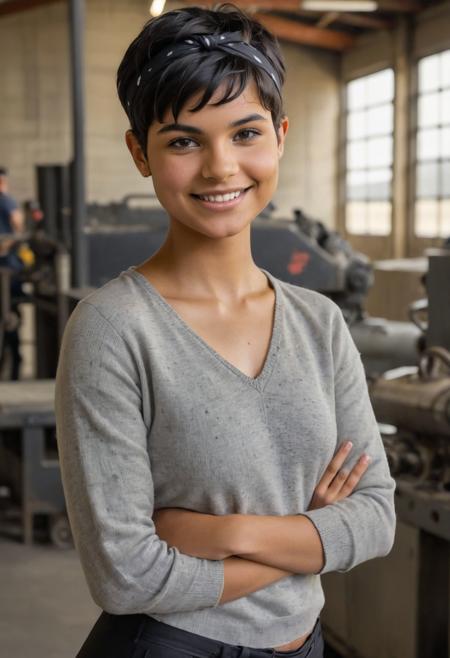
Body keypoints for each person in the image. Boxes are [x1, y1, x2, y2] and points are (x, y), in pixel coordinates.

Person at [54, 5, 396, 658]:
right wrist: (309, 539)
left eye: (245, 133)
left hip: (308, 646)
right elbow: (126, 576)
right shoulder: (114, 329)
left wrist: (225, 531)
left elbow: (377, 517)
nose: (219, 167)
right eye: (184, 140)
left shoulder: (318, 323)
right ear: (140, 152)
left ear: (280, 136)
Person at [0, 167, 24, 380]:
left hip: (7, 270)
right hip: (7, 270)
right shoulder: (5, 200)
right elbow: (17, 223)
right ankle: (14, 366)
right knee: (10, 318)